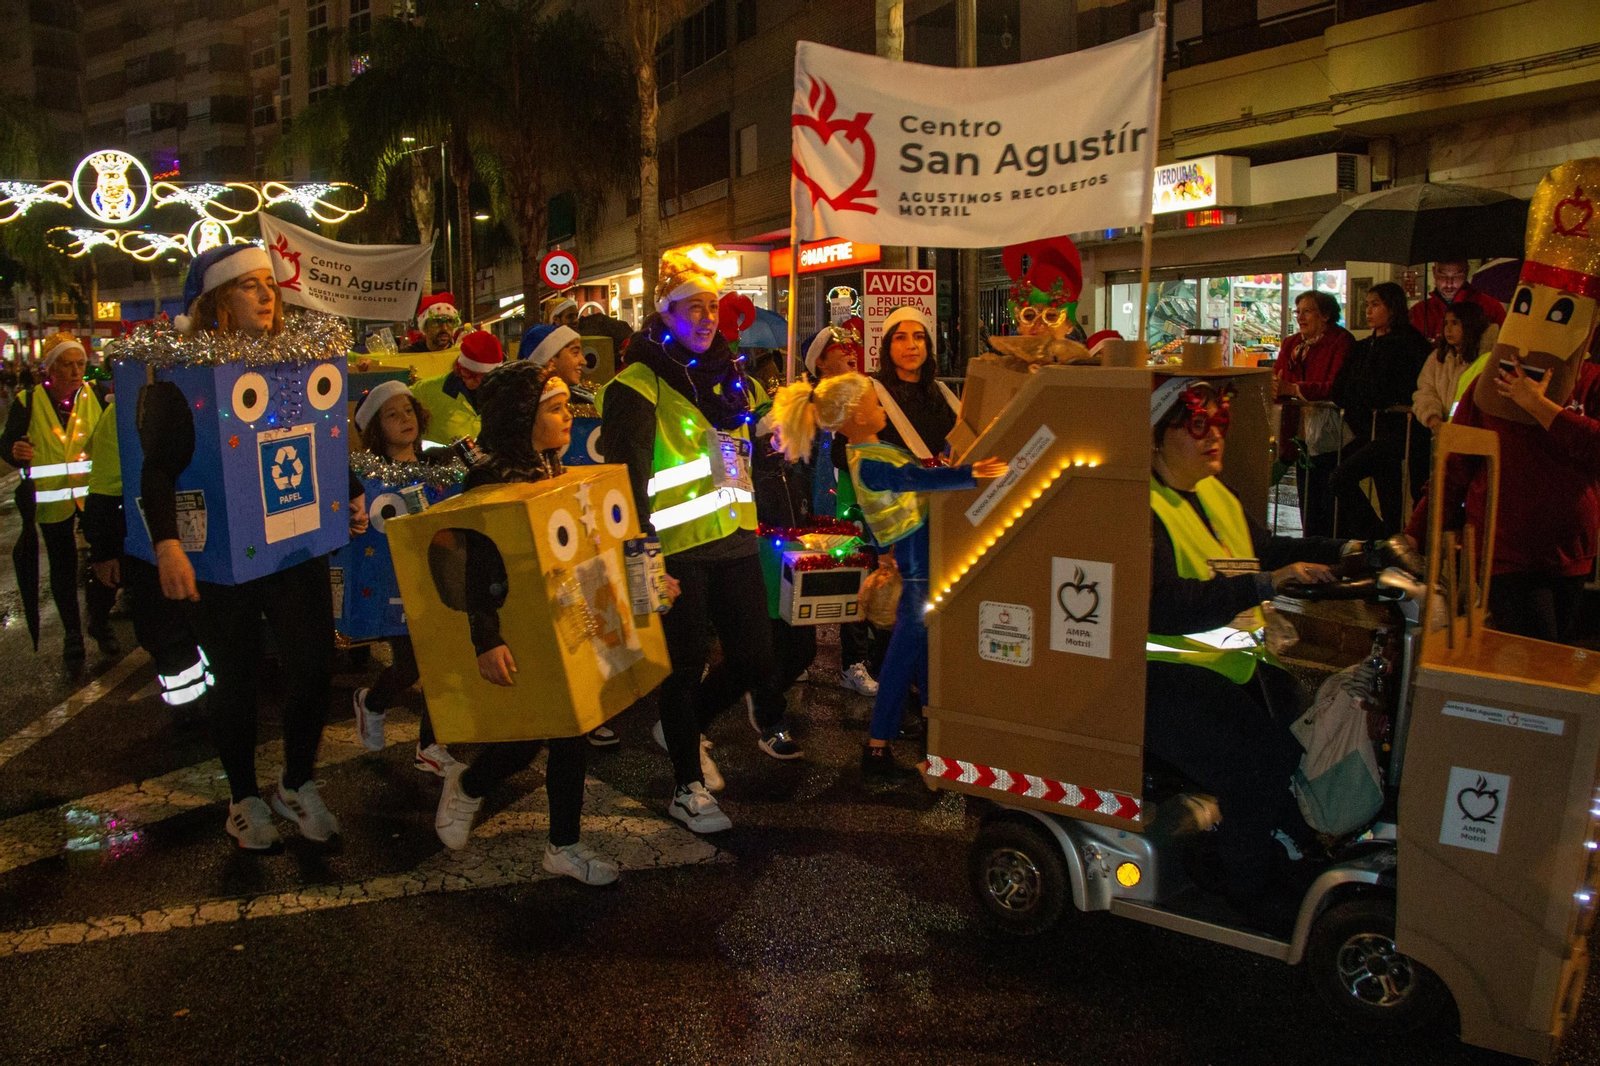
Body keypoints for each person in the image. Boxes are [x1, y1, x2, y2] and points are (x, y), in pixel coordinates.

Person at [141, 244, 367, 850]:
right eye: (248, 286)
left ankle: (296, 781)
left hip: (294, 550)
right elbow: (157, 470)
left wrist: (350, 492)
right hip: (222, 561)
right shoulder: (184, 378)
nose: (267, 295)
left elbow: (319, 437)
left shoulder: (293, 367)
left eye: (271, 283)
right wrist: (167, 544)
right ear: (216, 302)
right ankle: (242, 799)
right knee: (237, 680)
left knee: (315, 663)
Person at [598, 246, 800, 834]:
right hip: (676, 550)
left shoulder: (733, 377)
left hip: (735, 540)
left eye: (713, 307)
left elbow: (745, 458)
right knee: (683, 668)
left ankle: (681, 726)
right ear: (664, 316)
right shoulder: (635, 384)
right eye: (692, 308)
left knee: (755, 660)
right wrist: (646, 559)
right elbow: (627, 483)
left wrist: (772, 442)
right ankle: (685, 786)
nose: (707, 318)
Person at [1146, 376, 1349, 931]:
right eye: (1198, 426)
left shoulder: (1216, 492)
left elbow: (1270, 549)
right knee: (1258, 764)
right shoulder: (1143, 506)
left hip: (1233, 669)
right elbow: (1163, 606)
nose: (1215, 438)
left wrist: (1352, 551)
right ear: (1159, 437)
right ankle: (1246, 886)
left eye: (1221, 425)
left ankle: (1285, 851)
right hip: (1162, 679)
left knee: (1304, 740)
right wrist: (1264, 583)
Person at [431, 362, 622, 884]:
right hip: (518, 627)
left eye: (567, 409)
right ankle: (470, 786)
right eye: (555, 409)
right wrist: (487, 639)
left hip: (565, 621)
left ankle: (563, 844)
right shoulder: (487, 478)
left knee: (571, 733)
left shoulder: (556, 469)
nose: (567, 419)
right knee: (523, 741)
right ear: (520, 418)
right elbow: (475, 565)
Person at [772, 372, 1006, 781]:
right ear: (856, 416)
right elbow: (914, 479)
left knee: (921, 648)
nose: (882, 409)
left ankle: (933, 743)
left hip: (914, 554)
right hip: (915, 558)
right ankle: (879, 745)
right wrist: (970, 473)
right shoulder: (870, 459)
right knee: (905, 653)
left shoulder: (873, 452)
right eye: (874, 405)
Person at [348, 380, 461, 776]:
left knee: (439, 659)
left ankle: (430, 745)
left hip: (436, 578)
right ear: (377, 428)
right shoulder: (365, 477)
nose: (405, 420)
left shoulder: (439, 463)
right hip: (394, 583)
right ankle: (373, 703)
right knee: (411, 665)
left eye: (408, 410)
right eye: (392, 415)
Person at [0, 332, 110, 664]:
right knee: (62, 568)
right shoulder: (28, 402)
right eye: (68, 365)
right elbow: (7, 446)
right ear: (50, 369)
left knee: (106, 561)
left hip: (95, 496)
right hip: (52, 501)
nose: (77, 372)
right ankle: (72, 634)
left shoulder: (100, 396)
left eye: (80, 364)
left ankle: (100, 623)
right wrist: (16, 451)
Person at [802, 326, 879, 697]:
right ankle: (796, 656)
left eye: (853, 345)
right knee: (808, 581)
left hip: (854, 505)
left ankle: (854, 663)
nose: (851, 351)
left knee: (859, 583)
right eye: (841, 347)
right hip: (815, 507)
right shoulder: (806, 403)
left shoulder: (865, 396)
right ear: (820, 361)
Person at [1326, 282, 1431, 539]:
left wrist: (1363, 393)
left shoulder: (1409, 343)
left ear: (1392, 308)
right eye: (1367, 305)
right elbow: (1340, 388)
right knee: (1379, 488)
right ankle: (1384, 538)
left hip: (1399, 432)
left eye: (1376, 305)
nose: (1369, 311)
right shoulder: (1363, 346)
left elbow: (1387, 389)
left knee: (1345, 477)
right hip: (1370, 429)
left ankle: (1382, 537)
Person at [1273, 290, 1354, 537]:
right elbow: (1279, 376)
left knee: (1329, 495)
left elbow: (1336, 384)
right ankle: (1311, 543)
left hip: (1331, 432)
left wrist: (1296, 389)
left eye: (1307, 311)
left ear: (1326, 315)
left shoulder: (1340, 341)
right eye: (1298, 312)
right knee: (1306, 493)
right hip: (1299, 430)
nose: (1300, 317)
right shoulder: (1292, 344)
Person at [873, 306, 958, 459]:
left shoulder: (941, 393)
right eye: (900, 337)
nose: (911, 345)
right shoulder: (871, 393)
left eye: (919, 337)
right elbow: (844, 454)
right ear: (887, 347)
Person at [410, 329, 505, 444]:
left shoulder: (507, 396)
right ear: (459, 368)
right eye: (469, 375)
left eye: (484, 378)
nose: (473, 383)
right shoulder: (425, 390)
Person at [1412, 302, 1491, 433]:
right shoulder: (1438, 358)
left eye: (1455, 323)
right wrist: (1433, 417)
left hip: (1473, 433)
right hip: (1442, 433)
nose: (1448, 329)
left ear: (1469, 325)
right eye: (1446, 323)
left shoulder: (1484, 358)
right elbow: (1425, 390)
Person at [1408, 260, 1506, 343]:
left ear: (1467, 271)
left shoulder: (1490, 307)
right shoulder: (1418, 312)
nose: (1449, 283)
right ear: (1434, 272)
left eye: (1457, 275)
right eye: (1443, 275)